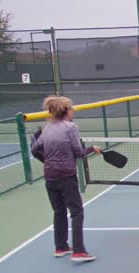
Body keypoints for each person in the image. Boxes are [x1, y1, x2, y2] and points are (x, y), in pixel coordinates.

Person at [31, 96, 101, 262]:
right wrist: (92, 148)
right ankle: (79, 251)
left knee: (59, 211)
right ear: (67, 111)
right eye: (72, 109)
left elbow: (34, 149)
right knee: (76, 212)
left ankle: (61, 246)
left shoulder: (48, 128)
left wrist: (47, 161)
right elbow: (78, 153)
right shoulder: (70, 127)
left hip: (50, 177)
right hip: (66, 177)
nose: (73, 111)